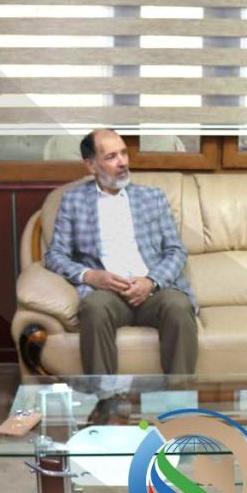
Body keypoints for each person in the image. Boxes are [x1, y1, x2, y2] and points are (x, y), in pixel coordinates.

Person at [45, 128, 198, 375]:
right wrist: (91, 276)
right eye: (111, 157)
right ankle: (106, 395)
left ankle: (177, 395)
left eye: (124, 153)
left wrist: (151, 281)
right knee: (94, 307)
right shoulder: (74, 201)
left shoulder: (152, 197)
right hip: (108, 294)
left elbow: (176, 250)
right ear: (91, 165)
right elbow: (55, 255)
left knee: (179, 306)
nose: (123, 162)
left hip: (153, 292)